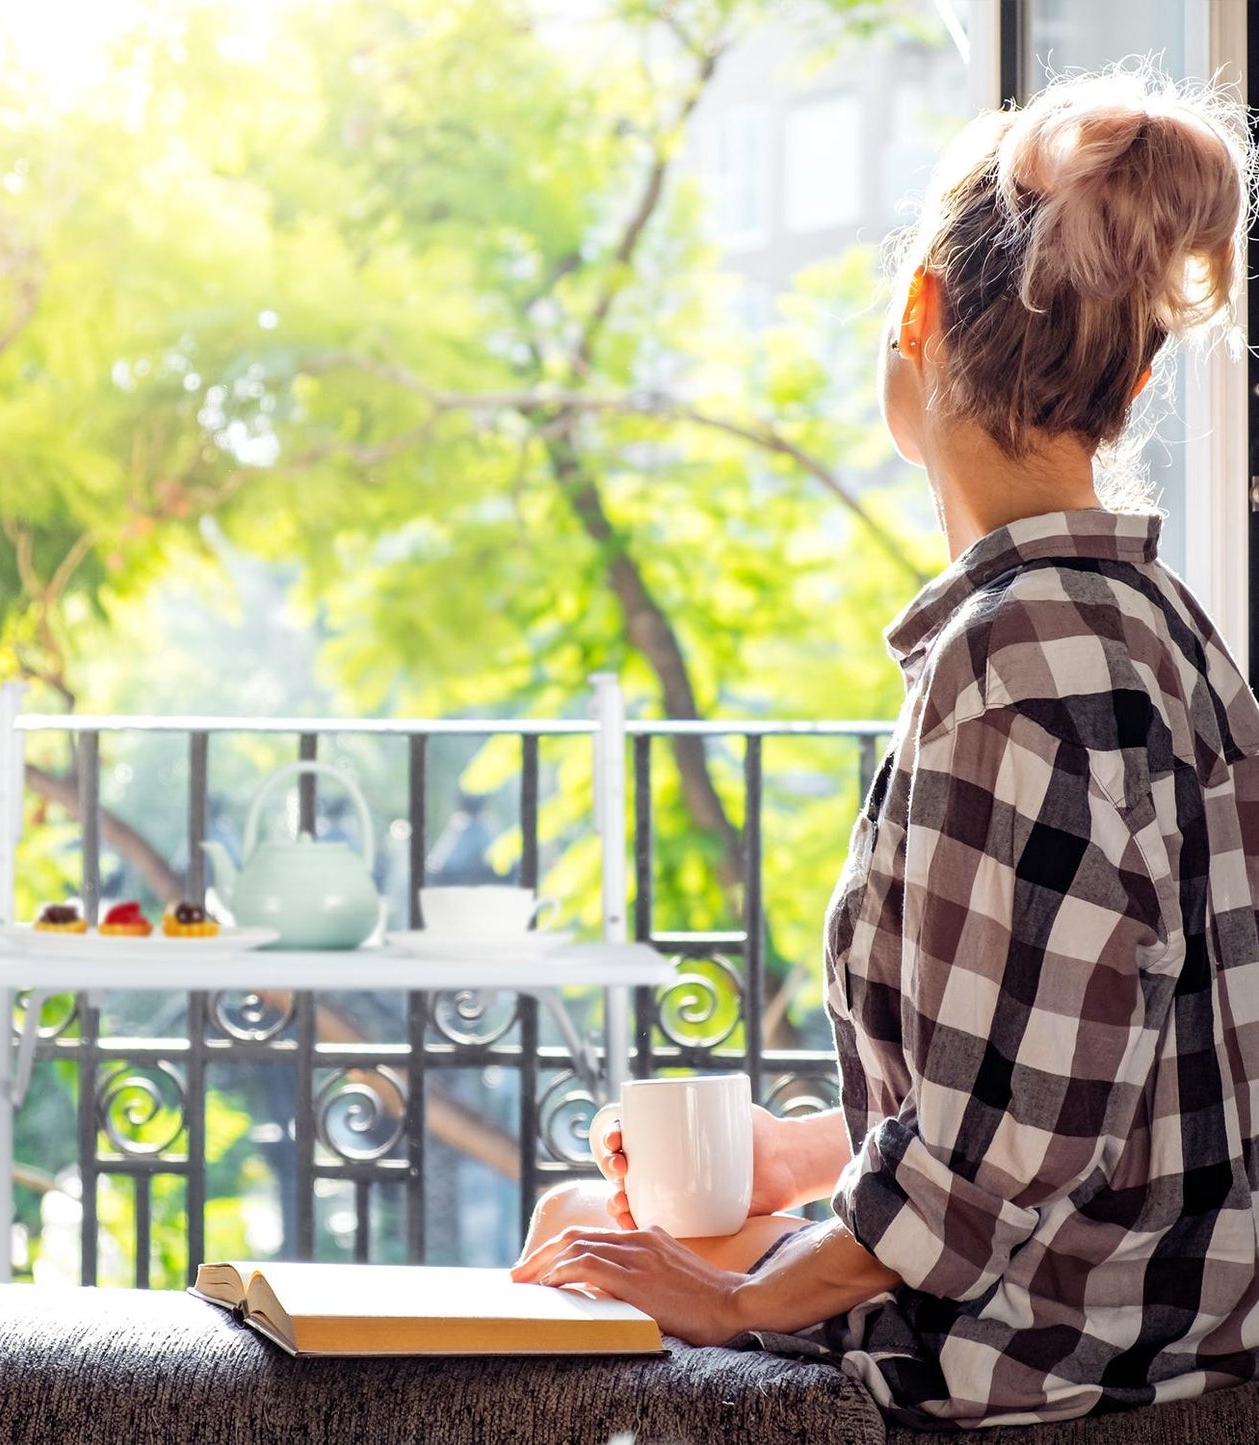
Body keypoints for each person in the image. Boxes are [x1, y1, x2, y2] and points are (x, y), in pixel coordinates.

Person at [512, 64, 1259, 1428]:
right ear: (1136, 377)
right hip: (1161, 1297)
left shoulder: (1014, 666)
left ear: (917, 312)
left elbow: (995, 1164)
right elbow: (1058, 1058)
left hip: (1058, 1348)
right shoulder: (1158, 628)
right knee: (600, 1221)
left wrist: (735, 1301)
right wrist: (787, 1161)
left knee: (575, 1244)